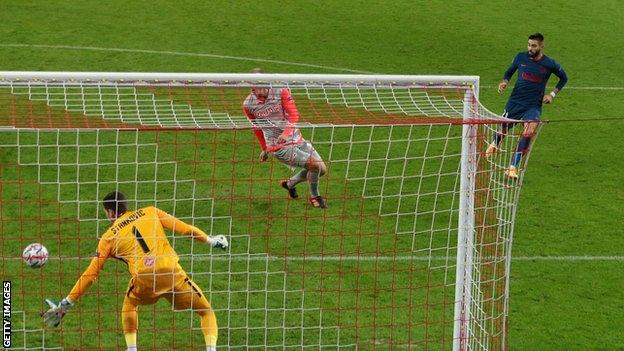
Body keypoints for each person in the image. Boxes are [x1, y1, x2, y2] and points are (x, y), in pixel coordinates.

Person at [42, 191, 229, 351]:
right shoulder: (151, 211)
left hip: (145, 279)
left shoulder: (108, 237)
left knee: (129, 307)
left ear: (109, 212)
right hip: (172, 272)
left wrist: (66, 304)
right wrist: (212, 241)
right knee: (206, 312)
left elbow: (90, 275)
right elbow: (187, 230)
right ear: (125, 206)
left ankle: (132, 348)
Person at [486, 32, 568, 178]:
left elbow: (564, 78)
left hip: (533, 106)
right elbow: (509, 71)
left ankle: (512, 167)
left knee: (529, 132)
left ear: (542, 46)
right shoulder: (520, 57)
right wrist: (504, 81)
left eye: (534, 46)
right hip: (515, 103)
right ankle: (494, 144)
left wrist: (552, 94)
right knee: (503, 129)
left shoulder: (550, 64)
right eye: (529, 45)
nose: (530, 48)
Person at [243, 68, 328, 208]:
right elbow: (256, 127)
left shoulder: (280, 91)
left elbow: (294, 115)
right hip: (279, 147)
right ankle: (315, 197)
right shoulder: (248, 105)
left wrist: (286, 133)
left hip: (295, 138)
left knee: (321, 170)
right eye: (254, 86)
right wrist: (265, 148)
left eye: (260, 85)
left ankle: (289, 184)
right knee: (314, 166)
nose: (258, 90)